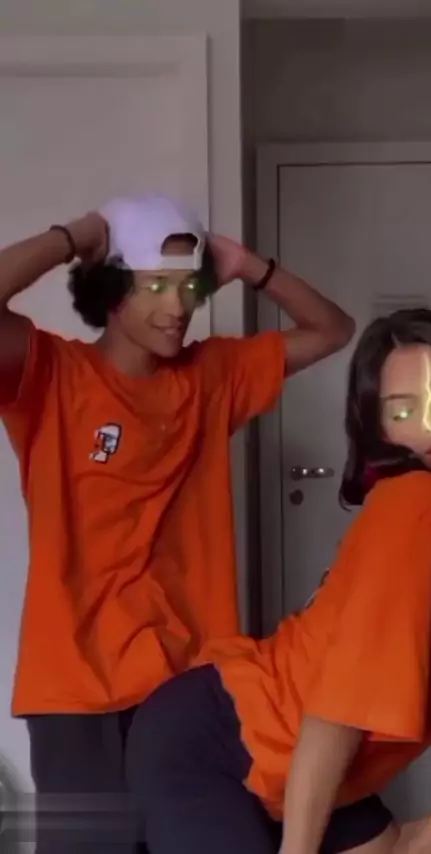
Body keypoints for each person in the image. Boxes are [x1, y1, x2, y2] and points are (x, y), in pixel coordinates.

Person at [0, 194, 354, 853]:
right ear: (111, 289)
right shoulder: (51, 375)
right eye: (155, 285)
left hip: (189, 680)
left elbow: (333, 329)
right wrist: (73, 236)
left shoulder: (212, 375)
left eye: (189, 286)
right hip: (76, 683)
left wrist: (247, 265)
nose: (178, 306)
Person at [125, 307, 431, 854]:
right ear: (382, 431)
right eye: (402, 410)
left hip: (320, 772)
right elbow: (338, 705)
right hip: (219, 744)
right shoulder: (420, 504)